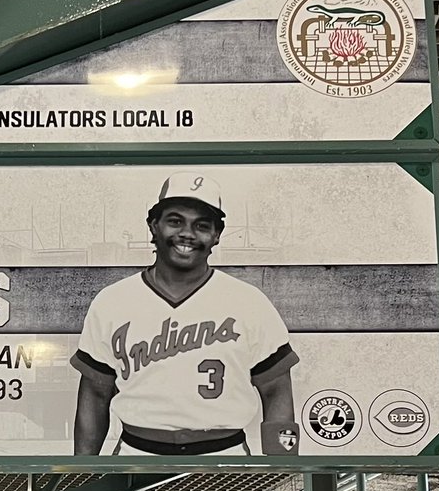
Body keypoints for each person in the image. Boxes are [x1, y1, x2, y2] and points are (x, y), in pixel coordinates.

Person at [71, 171, 299, 456]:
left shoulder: (249, 302)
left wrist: (280, 462)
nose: (187, 234)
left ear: (216, 235)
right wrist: (82, 469)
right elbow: (95, 392)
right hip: (137, 453)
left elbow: (276, 387)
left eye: (201, 225)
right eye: (175, 221)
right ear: (154, 226)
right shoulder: (112, 302)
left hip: (224, 454)